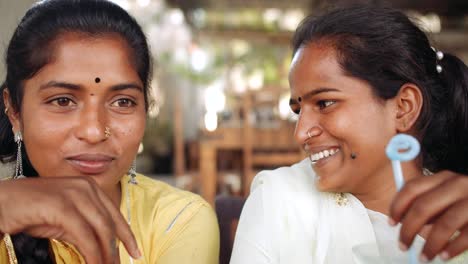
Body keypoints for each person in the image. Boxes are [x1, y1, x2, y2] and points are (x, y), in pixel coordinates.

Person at [230, 5, 468, 264]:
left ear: (403, 108)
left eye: (324, 103)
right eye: (298, 110)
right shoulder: (280, 200)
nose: (300, 134)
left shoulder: (460, 220)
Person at [0, 0, 219, 263]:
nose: (94, 132)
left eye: (122, 102)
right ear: (14, 111)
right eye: (62, 101)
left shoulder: (178, 220)